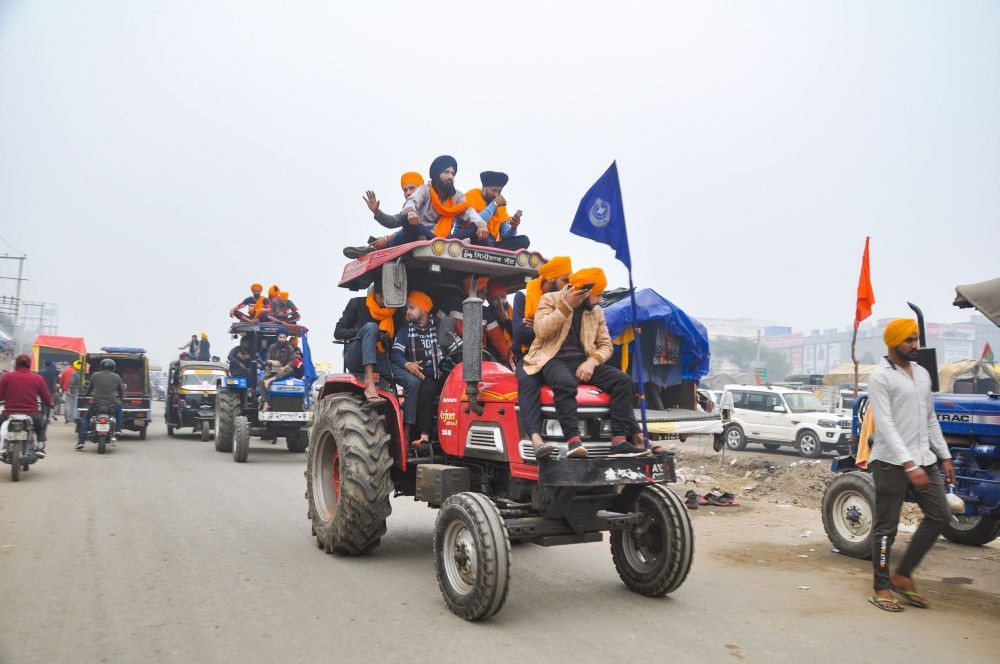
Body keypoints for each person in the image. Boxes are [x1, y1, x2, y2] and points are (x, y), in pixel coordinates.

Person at [866, 318, 954, 612]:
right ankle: (881, 585)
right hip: (891, 462)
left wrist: (945, 455)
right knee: (886, 527)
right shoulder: (880, 377)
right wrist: (908, 463)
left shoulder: (921, 374)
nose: (915, 345)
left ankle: (902, 574)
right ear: (893, 343)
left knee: (940, 515)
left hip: (924, 459)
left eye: (916, 339)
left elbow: (930, 418)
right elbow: (886, 425)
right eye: (908, 340)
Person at [522, 268, 647, 459]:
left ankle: (619, 442)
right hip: (551, 358)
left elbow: (605, 345)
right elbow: (541, 330)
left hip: (583, 361)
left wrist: (591, 362)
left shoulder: (596, 311)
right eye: (598, 295)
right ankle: (574, 441)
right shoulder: (550, 300)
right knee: (565, 383)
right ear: (584, 292)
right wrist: (566, 307)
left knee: (623, 381)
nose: (600, 300)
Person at [343, 155, 489, 258]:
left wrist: (481, 224)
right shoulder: (424, 191)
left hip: (443, 239)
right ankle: (373, 251)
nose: (451, 176)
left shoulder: (456, 196)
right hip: (419, 234)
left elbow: (469, 211)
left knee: (477, 226)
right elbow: (407, 208)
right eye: (446, 172)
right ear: (437, 174)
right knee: (407, 220)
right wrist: (380, 212)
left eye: (453, 173)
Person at [512, 256, 572, 457]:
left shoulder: (566, 301)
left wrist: (536, 326)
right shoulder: (522, 297)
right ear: (551, 279)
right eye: (564, 280)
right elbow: (520, 334)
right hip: (529, 355)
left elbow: (565, 333)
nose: (568, 285)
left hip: (556, 356)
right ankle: (536, 439)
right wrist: (548, 327)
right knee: (527, 380)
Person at [390, 291, 459, 449]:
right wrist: (407, 364)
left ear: (424, 309)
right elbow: (395, 353)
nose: (407, 312)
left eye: (411, 308)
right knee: (426, 388)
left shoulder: (440, 326)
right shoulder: (405, 330)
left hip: (443, 373)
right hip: (423, 377)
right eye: (407, 308)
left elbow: (458, 346)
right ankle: (424, 437)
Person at [334, 283, 401, 406]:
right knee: (371, 327)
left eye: (387, 297)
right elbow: (338, 332)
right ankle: (369, 384)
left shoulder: (393, 313)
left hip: (380, 357)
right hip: (356, 356)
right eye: (381, 296)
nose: (383, 300)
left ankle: (406, 422)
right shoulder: (356, 304)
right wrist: (363, 332)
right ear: (373, 294)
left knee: (412, 381)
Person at [438, 276, 511, 363]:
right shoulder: (450, 306)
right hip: (455, 356)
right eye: (482, 293)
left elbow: (498, 340)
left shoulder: (486, 312)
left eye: (485, 293)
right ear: (471, 292)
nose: (484, 298)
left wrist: (508, 360)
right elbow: (437, 331)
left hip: (480, 357)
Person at [455, 171, 530, 250]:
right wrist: (494, 204)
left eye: (499, 192)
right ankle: (492, 250)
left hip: (490, 244)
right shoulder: (472, 196)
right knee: (477, 231)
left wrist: (513, 228)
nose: (496, 195)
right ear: (484, 188)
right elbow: (476, 221)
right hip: (471, 238)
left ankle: (493, 251)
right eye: (493, 190)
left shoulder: (499, 206)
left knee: (524, 240)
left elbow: (504, 234)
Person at [0, 354, 52, 458]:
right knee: (41, 426)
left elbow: (0, 394)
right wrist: (49, 404)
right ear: (29, 364)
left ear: (16, 363)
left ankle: (3, 446)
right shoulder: (38, 378)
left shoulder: (7, 377)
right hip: (32, 413)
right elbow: (46, 396)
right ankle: (40, 446)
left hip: (9, 413)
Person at [360, 172, 425, 251]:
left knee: (407, 227)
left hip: (432, 241)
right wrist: (376, 211)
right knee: (405, 223)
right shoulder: (408, 209)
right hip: (411, 244)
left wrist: (387, 239)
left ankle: (381, 249)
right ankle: (376, 248)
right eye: (405, 190)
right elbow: (393, 221)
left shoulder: (431, 204)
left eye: (412, 188)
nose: (408, 192)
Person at [77, 358, 125, 449]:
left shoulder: (95, 375)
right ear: (113, 367)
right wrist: (122, 399)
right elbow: (120, 391)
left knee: (86, 419)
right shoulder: (117, 377)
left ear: (101, 366)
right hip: (112, 404)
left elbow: (90, 389)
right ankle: (118, 430)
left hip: (96, 404)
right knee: (119, 411)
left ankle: (81, 442)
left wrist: (84, 396)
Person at [261, 332, 296, 409]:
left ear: (286, 338)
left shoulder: (290, 348)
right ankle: (266, 402)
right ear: (277, 338)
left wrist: (284, 367)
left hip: (284, 369)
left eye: (284, 337)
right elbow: (267, 360)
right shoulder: (272, 347)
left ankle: (269, 380)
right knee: (262, 380)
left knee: (290, 369)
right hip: (273, 368)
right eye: (280, 337)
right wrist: (272, 361)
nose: (282, 339)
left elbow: (292, 361)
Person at [486, 280, 515, 367]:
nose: (500, 301)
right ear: (489, 301)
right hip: (498, 360)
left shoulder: (514, 312)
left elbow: (520, 335)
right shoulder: (487, 316)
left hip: (516, 354)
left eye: (503, 297)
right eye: (495, 298)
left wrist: (506, 321)